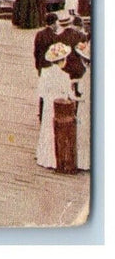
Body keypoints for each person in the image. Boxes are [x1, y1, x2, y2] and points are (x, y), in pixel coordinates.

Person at [36, 42, 73, 170]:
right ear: (62, 61)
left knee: (47, 128)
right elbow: (69, 95)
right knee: (57, 131)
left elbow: (41, 92)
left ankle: (45, 157)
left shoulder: (45, 72)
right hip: (59, 106)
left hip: (48, 104)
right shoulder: (65, 76)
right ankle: (57, 158)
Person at [74, 42, 90, 171]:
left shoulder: (87, 75)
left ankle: (84, 161)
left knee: (83, 132)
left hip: (85, 106)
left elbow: (82, 90)